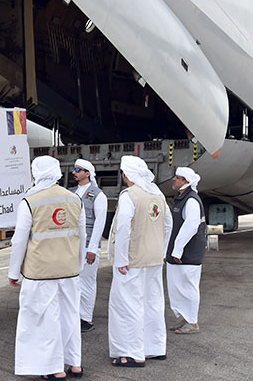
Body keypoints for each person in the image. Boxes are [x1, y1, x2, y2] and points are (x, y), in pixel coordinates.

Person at [8, 156, 86, 379]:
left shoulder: (30, 201)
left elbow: (19, 240)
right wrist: (77, 265)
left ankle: (54, 368)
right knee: (70, 315)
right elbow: (82, 235)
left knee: (45, 318)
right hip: (70, 270)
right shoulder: (74, 199)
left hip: (40, 272)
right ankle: (75, 363)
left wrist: (14, 272)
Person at [107, 155, 172, 367]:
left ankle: (131, 353)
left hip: (132, 261)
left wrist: (121, 259)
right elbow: (168, 225)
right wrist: (161, 252)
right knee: (153, 302)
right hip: (153, 259)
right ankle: (154, 347)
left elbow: (124, 228)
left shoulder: (130, 195)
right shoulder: (158, 195)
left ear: (128, 174)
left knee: (127, 305)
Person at [166, 167, 207, 335]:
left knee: (188, 287)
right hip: (180, 252)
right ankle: (185, 317)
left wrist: (177, 250)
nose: (174, 180)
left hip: (188, 253)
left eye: (178, 178)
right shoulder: (182, 198)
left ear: (186, 181)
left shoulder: (191, 200)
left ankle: (192, 322)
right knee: (178, 287)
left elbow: (191, 226)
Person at [69, 158, 107, 333]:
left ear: (88, 173)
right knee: (74, 283)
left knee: (87, 282)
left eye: (78, 169)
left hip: (89, 245)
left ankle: (86, 318)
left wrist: (92, 249)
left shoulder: (98, 195)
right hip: (73, 245)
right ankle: (75, 315)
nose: (74, 172)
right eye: (74, 169)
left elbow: (100, 223)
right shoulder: (71, 192)